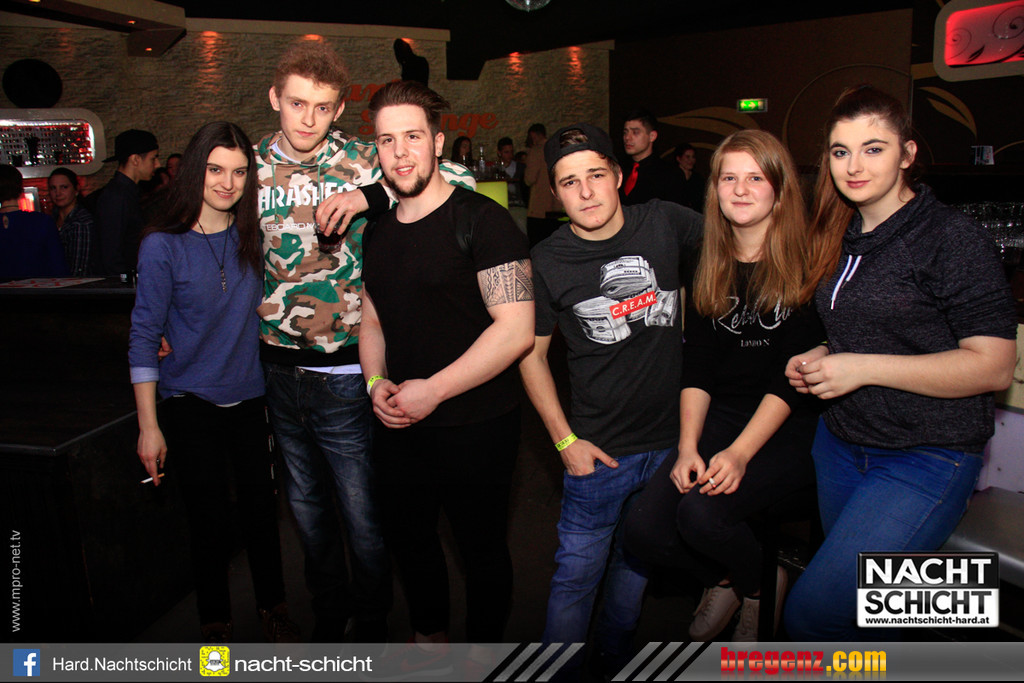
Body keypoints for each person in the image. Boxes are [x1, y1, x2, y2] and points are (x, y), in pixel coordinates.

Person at [256, 41, 475, 643]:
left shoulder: (361, 158)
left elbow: (456, 177)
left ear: (338, 110)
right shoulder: (250, 168)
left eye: (323, 107)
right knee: (306, 510)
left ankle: (372, 619)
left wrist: (366, 195)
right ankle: (330, 612)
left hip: (349, 370)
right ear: (275, 98)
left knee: (361, 510)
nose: (308, 119)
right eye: (297, 103)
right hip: (277, 367)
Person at [782, 85, 1017, 641]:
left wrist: (860, 366)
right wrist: (825, 354)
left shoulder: (951, 238)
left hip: (926, 456)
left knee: (812, 615)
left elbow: (993, 367)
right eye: (840, 152)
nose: (854, 166)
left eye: (873, 149)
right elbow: (873, 329)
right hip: (842, 445)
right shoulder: (841, 230)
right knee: (871, 617)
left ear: (907, 154)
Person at [519, 123, 702, 679]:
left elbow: (741, 243)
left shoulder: (665, 222)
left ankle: (615, 658)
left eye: (596, 174)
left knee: (635, 565)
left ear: (618, 176)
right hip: (598, 453)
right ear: (555, 193)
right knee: (575, 578)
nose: (586, 191)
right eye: (569, 182)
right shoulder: (546, 259)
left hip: (671, 446)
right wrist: (564, 442)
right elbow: (531, 357)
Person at [624, 130, 822, 642]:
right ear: (714, 190)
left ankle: (759, 587)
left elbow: (790, 381)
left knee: (702, 515)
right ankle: (736, 578)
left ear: (779, 188)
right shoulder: (706, 260)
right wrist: (689, 446)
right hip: (721, 416)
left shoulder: (810, 263)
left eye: (755, 177)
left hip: (788, 426)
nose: (740, 189)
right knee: (644, 530)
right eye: (728, 178)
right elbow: (699, 364)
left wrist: (738, 454)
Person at [360, 80, 533, 660]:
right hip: (399, 423)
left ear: (437, 142)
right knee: (410, 542)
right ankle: (430, 640)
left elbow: (515, 329)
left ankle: (482, 656)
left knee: (481, 551)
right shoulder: (377, 231)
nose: (401, 152)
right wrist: (375, 382)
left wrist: (433, 391)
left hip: (477, 424)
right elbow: (372, 319)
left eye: (413, 137)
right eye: (387, 140)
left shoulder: (483, 220)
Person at [128, 121, 298, 643]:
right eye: (216, 170)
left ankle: (273, 607)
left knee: (261, 514)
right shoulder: (162, 245)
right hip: (189, 399)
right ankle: (214, 621)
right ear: (194, 171)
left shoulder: (255, 238)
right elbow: (143, 335)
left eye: (240, 172)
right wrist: (149, 427)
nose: (227, 183)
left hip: (250, 395)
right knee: (206, 520)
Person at [95, 129, 160, 275]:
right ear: (135, 159)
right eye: (153, 158)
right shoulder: (116, 196)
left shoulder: (127, 193)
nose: (157, 164)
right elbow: (111, 253)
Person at [0, 164, 68, 280]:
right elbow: (59, 267)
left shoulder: (42, 221)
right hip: (37, 289)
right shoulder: (42, 222)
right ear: (21, 190)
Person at [620, 108, 685, 206]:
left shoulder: (670, 174)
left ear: (652, 136)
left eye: (635, 132)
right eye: (625, 132)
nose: (627, 137)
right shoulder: (617, 170)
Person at [48, 167, 95, 276]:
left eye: (64, 187)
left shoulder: (81, 222)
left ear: (76, 189)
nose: (58, 193)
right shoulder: (51, 218)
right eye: (53, 188)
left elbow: (79, 269)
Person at [523, 123, 562, 248]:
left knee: (538, 246)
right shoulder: (557, 148)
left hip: (539, 208)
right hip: (557, 207)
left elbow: (529, 179)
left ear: (533, 135)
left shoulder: (536, 151)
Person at [674, 142, 705, 212]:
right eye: (687, 157)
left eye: (693, 157)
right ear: (678, 158)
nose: (691, 160)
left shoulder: (697, 178)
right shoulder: (671, 178)